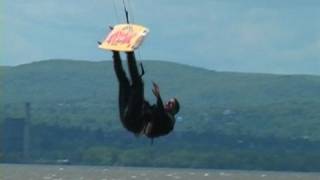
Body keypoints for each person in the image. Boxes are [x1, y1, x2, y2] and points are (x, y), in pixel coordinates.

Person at [112, 50, 180, 138]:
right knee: (124, 83)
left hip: (135, 122)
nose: (167, 103)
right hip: (127, 120)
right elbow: (149, 108)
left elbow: (161, 115)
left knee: (139, 84)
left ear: (174, 111)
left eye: (171, 104)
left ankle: (130, 53)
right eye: (169, 101)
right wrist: (136, 95)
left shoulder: (169, 121)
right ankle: (115, 52)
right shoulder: (157, 113)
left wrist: (158, 97)